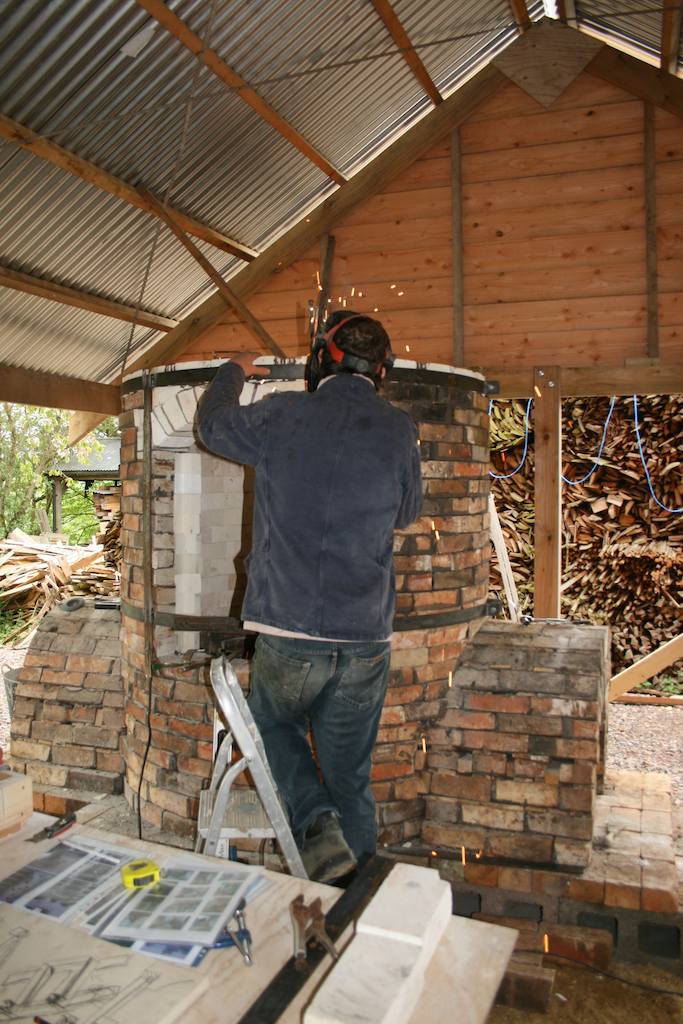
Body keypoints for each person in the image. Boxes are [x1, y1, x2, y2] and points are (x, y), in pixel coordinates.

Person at [195, 311, 422, 882]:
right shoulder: (399, 429)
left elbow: (212, 425)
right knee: (350, 774)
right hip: (366, 636)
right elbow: (408, 514)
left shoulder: (283, 415)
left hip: (289, 630)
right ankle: (360, 898)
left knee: (273, 728)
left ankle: (315, 825)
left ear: (322, 360)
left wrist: (234, 370)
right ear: (383, 372)